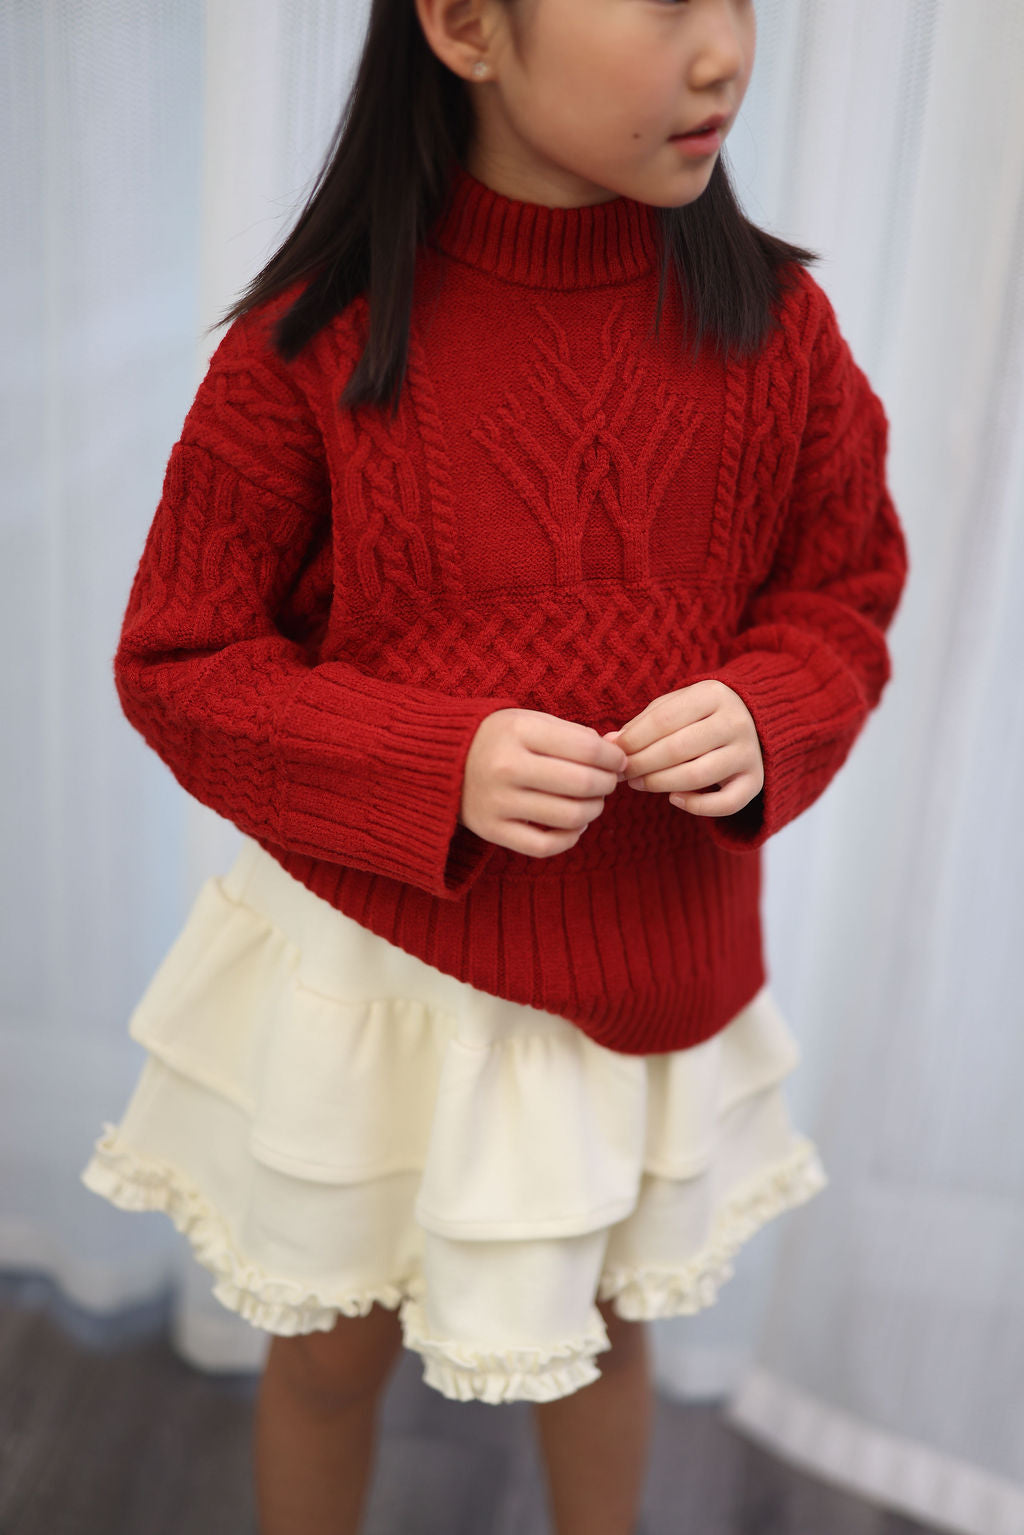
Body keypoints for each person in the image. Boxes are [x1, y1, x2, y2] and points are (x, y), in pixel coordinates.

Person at [79, 0, 910, 1531]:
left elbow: (843, 592)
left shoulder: (776, 326)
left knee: (600, 1333)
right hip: (383, 970)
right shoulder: (313, 337)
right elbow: (181, 658)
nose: (723, 51)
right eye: (663, 3)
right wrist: (428, 761)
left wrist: (768, 710)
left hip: (642, 966)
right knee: (331, 1354)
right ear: (467, 26)